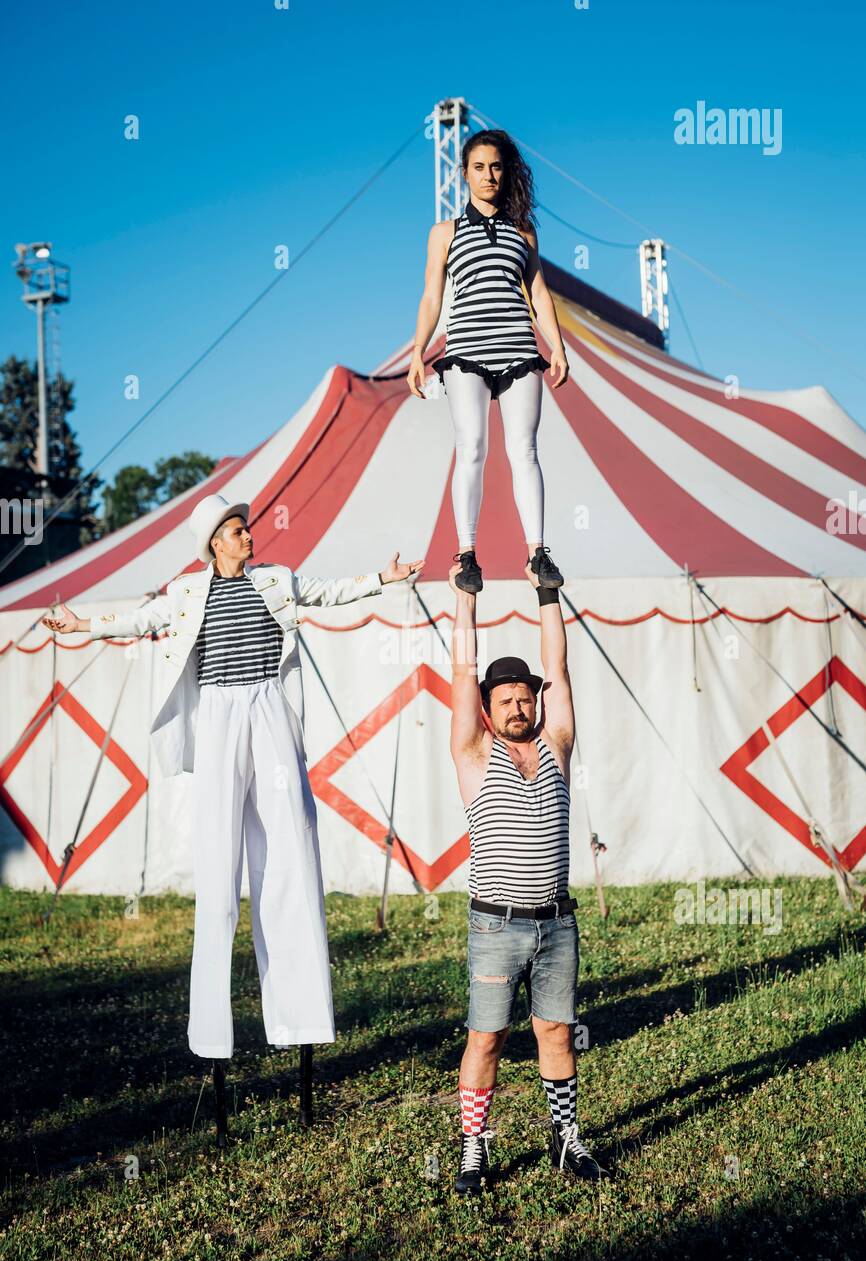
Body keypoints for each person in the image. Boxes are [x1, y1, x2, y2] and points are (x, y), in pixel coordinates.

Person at [43, 493, 425, 1059]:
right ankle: (212, 1035)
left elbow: (329, 592)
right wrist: (84, 624)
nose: (250, 537)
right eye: (239, 531)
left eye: (247, 530)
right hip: (219, 715)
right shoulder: (187, 591)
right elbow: (138, 621)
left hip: (269, 709)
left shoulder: (277, 579)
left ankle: (299, 1022)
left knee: (292, 849)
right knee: (218, 869)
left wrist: (382, 578)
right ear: (217, 543)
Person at [447, 555, 609, 1192]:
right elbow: (462, 670)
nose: (517, 707)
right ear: (487, 710)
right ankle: (473, 1146)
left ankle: (566, 1141)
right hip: (495, 927)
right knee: (486, 1039)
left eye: (524, 697)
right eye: (504, 700)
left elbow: (560, 670)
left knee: (557, 1031)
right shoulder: (471, 753)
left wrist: (548, 594)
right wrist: (466, 598)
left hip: (557, 925)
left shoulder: (556, 745)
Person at [407, 127, 569, 595]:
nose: (488, 175)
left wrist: (557, 347)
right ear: (464, 174)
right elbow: (432, 295)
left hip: (519, 346)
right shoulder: (445, 232)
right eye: (478, 167)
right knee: (472, 445)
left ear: (506, 170)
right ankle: (468, 551)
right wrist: (418, 350)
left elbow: (537, 290)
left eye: (495, 166)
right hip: (466, 350)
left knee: (525, 450)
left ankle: (538, 552)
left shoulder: (524, 230)